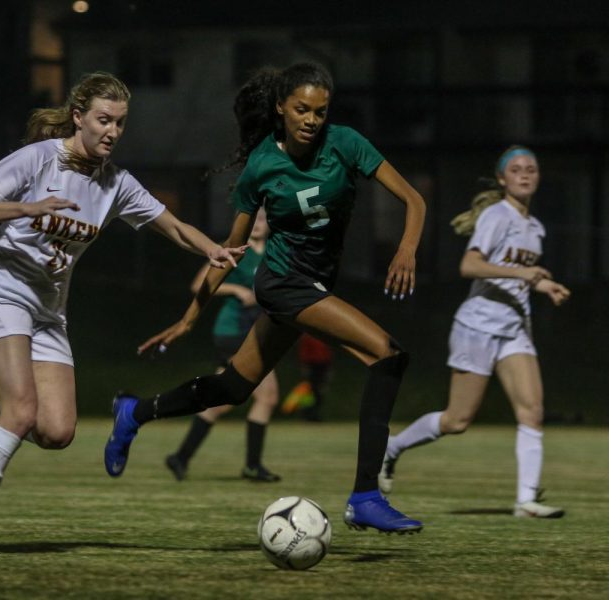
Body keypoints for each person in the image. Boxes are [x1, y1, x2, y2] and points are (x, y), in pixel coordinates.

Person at [0, 72, 246, 556]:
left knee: (56, 432)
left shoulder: (116, 182)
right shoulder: (38, 159)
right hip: (0, 290)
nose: (113, 131)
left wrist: (214, 250)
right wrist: (26, 207)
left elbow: (175, 227)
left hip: (49, 311)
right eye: (104, 120)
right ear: (79, 117)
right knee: (22, 412)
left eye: (120, 123)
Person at [106, 62, 428, 534]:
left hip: (312, 287)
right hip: (282, 285)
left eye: (320, 111)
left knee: (232, 388)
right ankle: (365, 496)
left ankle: (133, 412)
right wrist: (190, 316)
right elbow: (230, 252)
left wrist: (406, 249)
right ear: (281, 107)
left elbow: (415, 201)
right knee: (388, 356)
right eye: (301, 109)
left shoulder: (346, 144)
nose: (312, 119)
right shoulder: (262, 164)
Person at [379, 146, 571, 519]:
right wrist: (522, 274)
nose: (525, 174)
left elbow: (517, 275)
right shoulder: (497, 216)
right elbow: (470, 265)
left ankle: (526, 500)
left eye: (531, 169)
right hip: (478, 326)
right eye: (516, 170)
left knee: (532, 411)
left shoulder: (535, 227)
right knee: (457, 420)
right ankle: (392, 449)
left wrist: (541, 284)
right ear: (502, 179)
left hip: (513, 329)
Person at [164, 209, 282, 483]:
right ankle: (252, 466)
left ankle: (180, 456)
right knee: (267, 395)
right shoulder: (237, 249)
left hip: (254, 331)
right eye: (254, 219)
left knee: (221, 400)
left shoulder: (275, 252)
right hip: (233, 330)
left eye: (263, 219)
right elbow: (198, 284)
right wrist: (238, 291)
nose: (257, 224)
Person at [281, 333, 334, 422]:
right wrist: (305, 367)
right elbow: (303, 352)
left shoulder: (324, 335)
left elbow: (328, 353)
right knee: (308, 393)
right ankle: (306, 415)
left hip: (323, 366)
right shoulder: (308, 335)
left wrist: (329, 369)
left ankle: (315, 414)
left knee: (320, 392)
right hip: (311, 366)